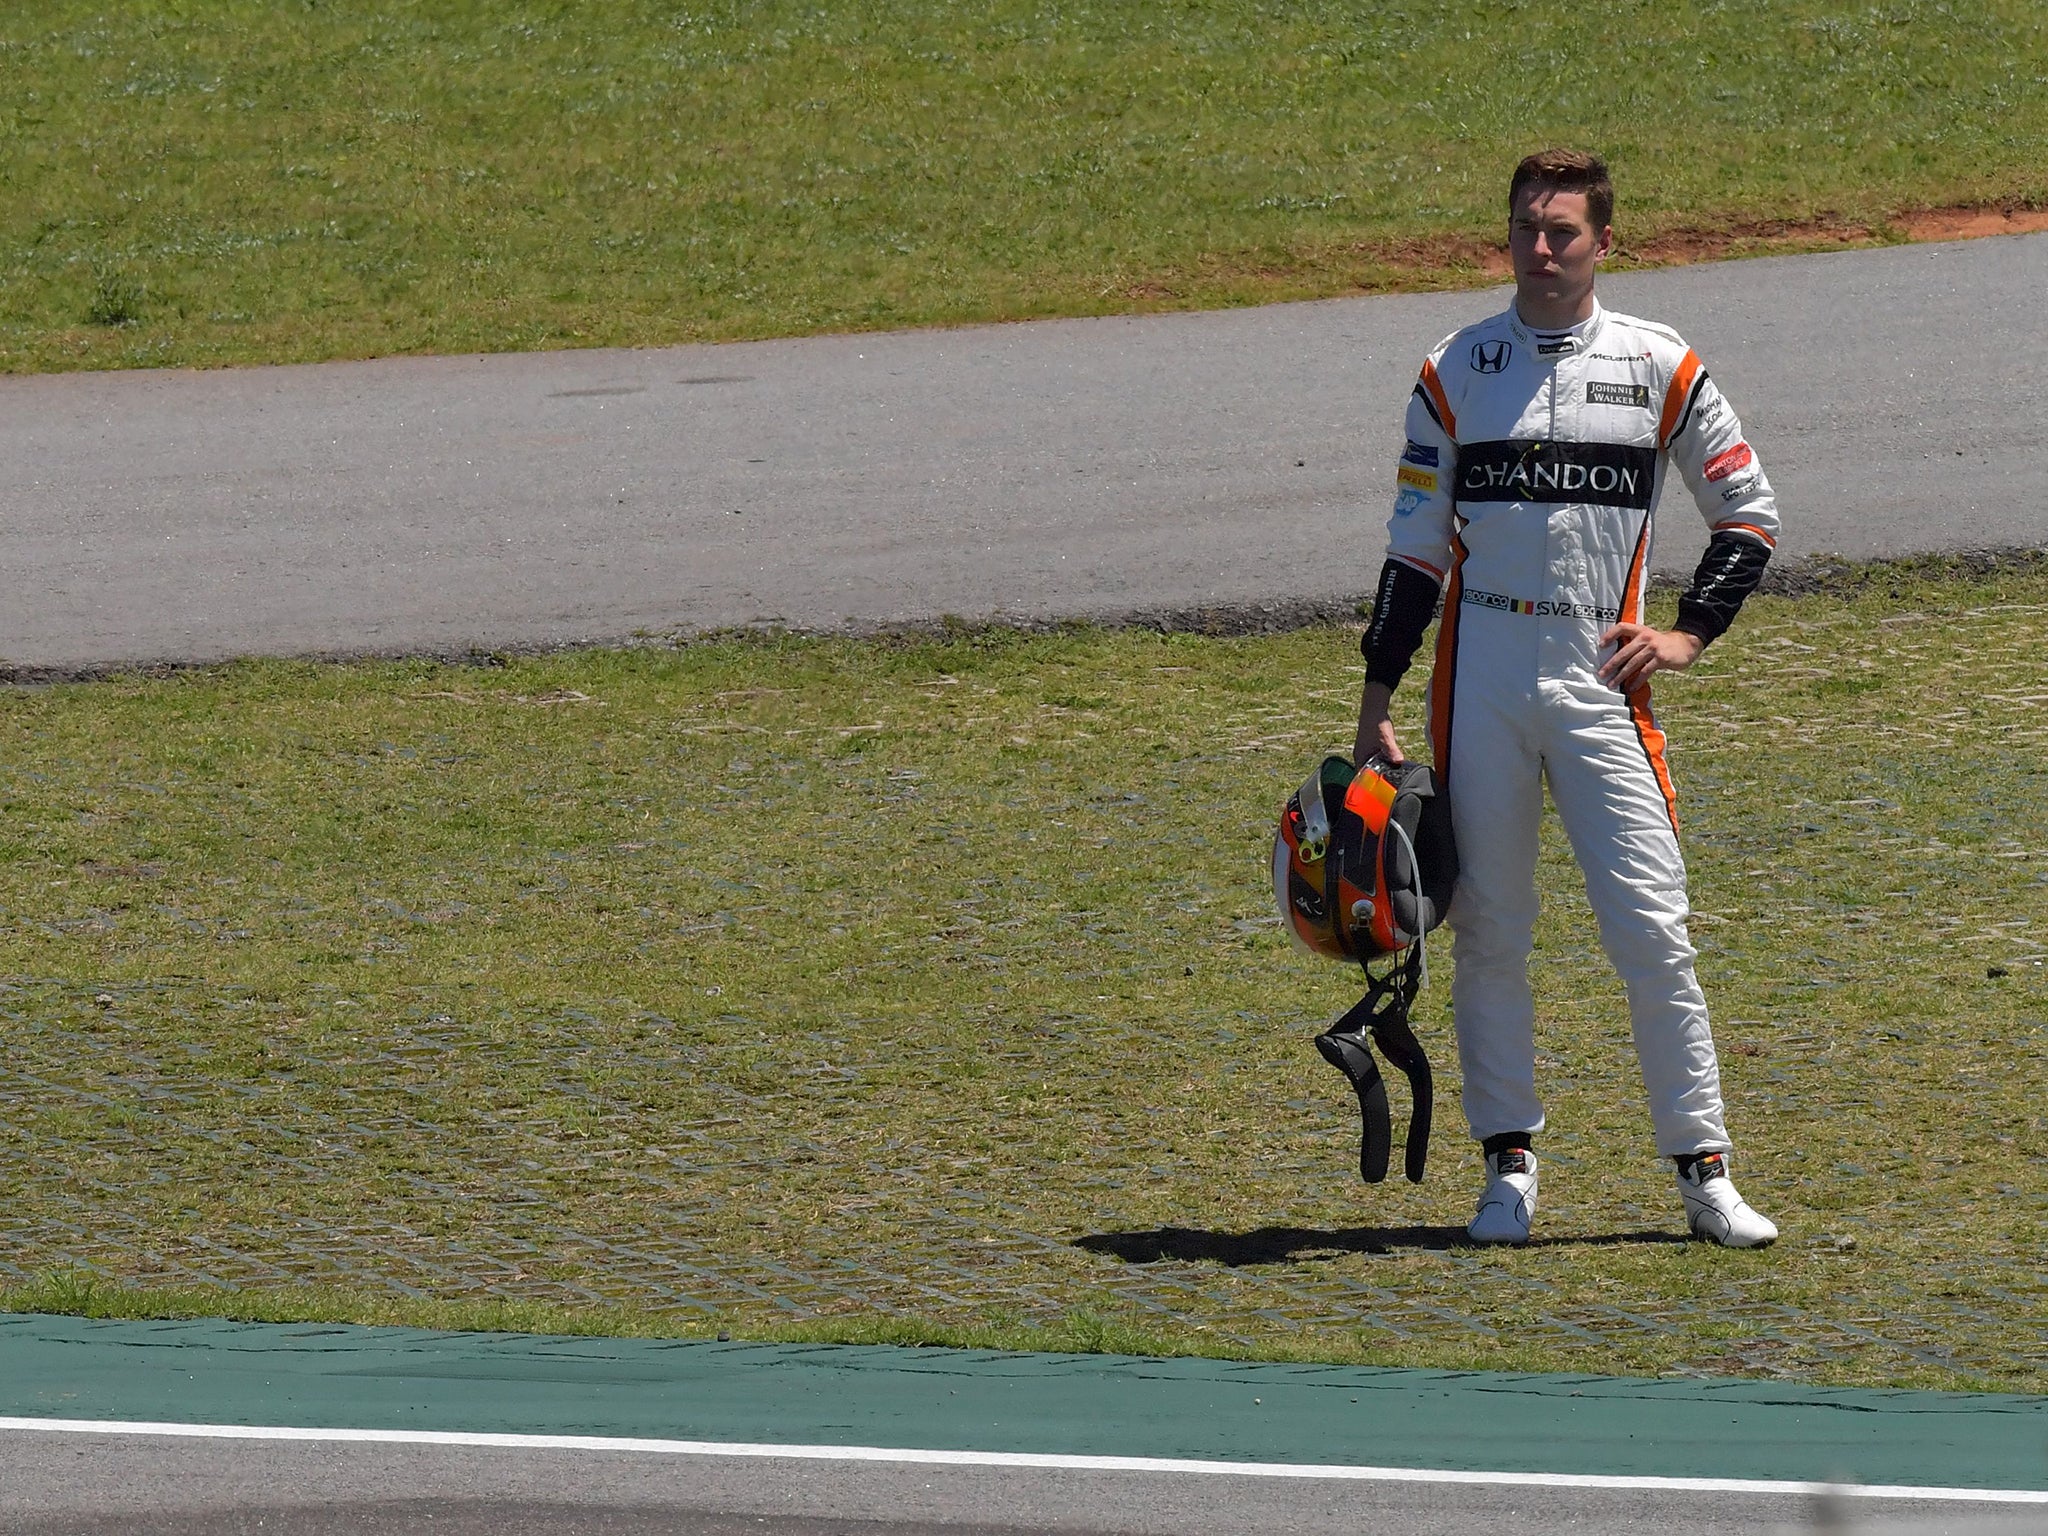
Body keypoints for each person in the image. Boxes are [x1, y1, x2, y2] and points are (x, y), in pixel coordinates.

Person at [1353, 148, 1779, 1248]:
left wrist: (1685, 634)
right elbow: (1411, 552)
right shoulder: (1453, 367)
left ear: (1602, 241)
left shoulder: (1659, 363)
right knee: (1488, 930)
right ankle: (1506, 1171)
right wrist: (1373, 697)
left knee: (1652, 929)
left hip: (1602, 679)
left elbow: (1748, 512)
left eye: (1562, 232)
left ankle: (1702, 1173)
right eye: (1524, 229)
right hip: (1479, 675)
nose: (1539, 249)